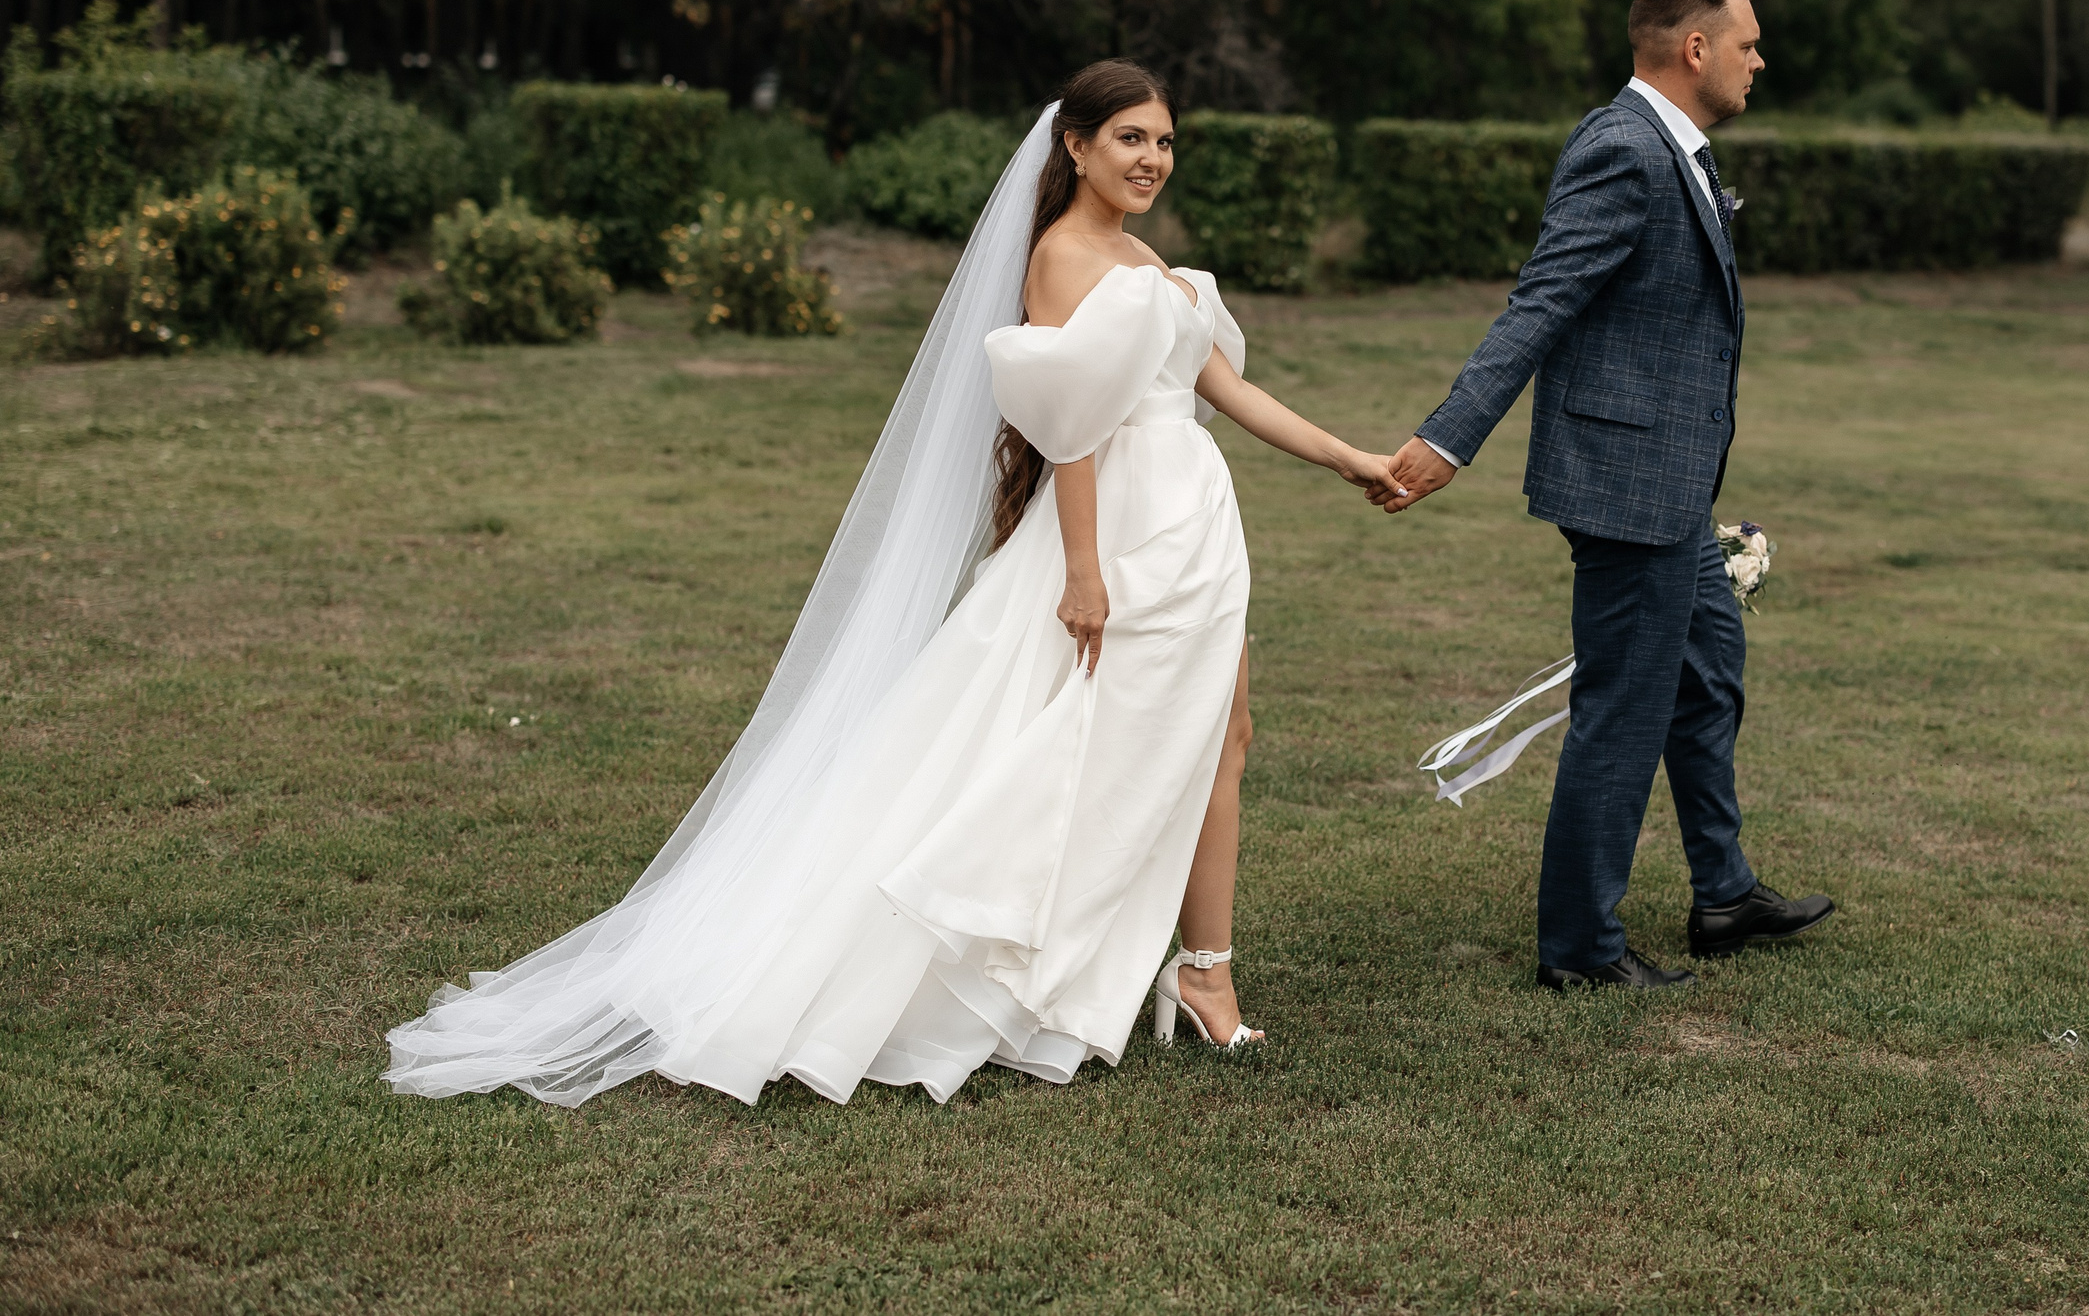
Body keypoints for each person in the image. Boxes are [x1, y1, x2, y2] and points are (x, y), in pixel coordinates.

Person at [386, 60, 1402, 1105]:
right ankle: (1079, 968)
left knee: (1222, 737)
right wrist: (1085, 571)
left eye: (1164, 141)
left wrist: (1347, 457)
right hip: (1119, 529)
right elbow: (1072, 427)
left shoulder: (1144, 256)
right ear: (1076, 146)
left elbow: (1220, 384)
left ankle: (1200, 975)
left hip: (1194, 524)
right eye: (1131, 139)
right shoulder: (1060, 258)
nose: (1152, 159)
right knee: (1042, 745)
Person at [1374, 0, 1837, 989]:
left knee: (1708, 673)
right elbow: (1540, 302)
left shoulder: (1677, 151)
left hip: (1672, 482)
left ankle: (1720, 892)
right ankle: (1581, 953)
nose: (1761, 58)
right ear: (1694, 48)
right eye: (1749, 41)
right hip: (1628, 489)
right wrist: (1446, 440)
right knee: (1623, 714)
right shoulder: (1624, 151)